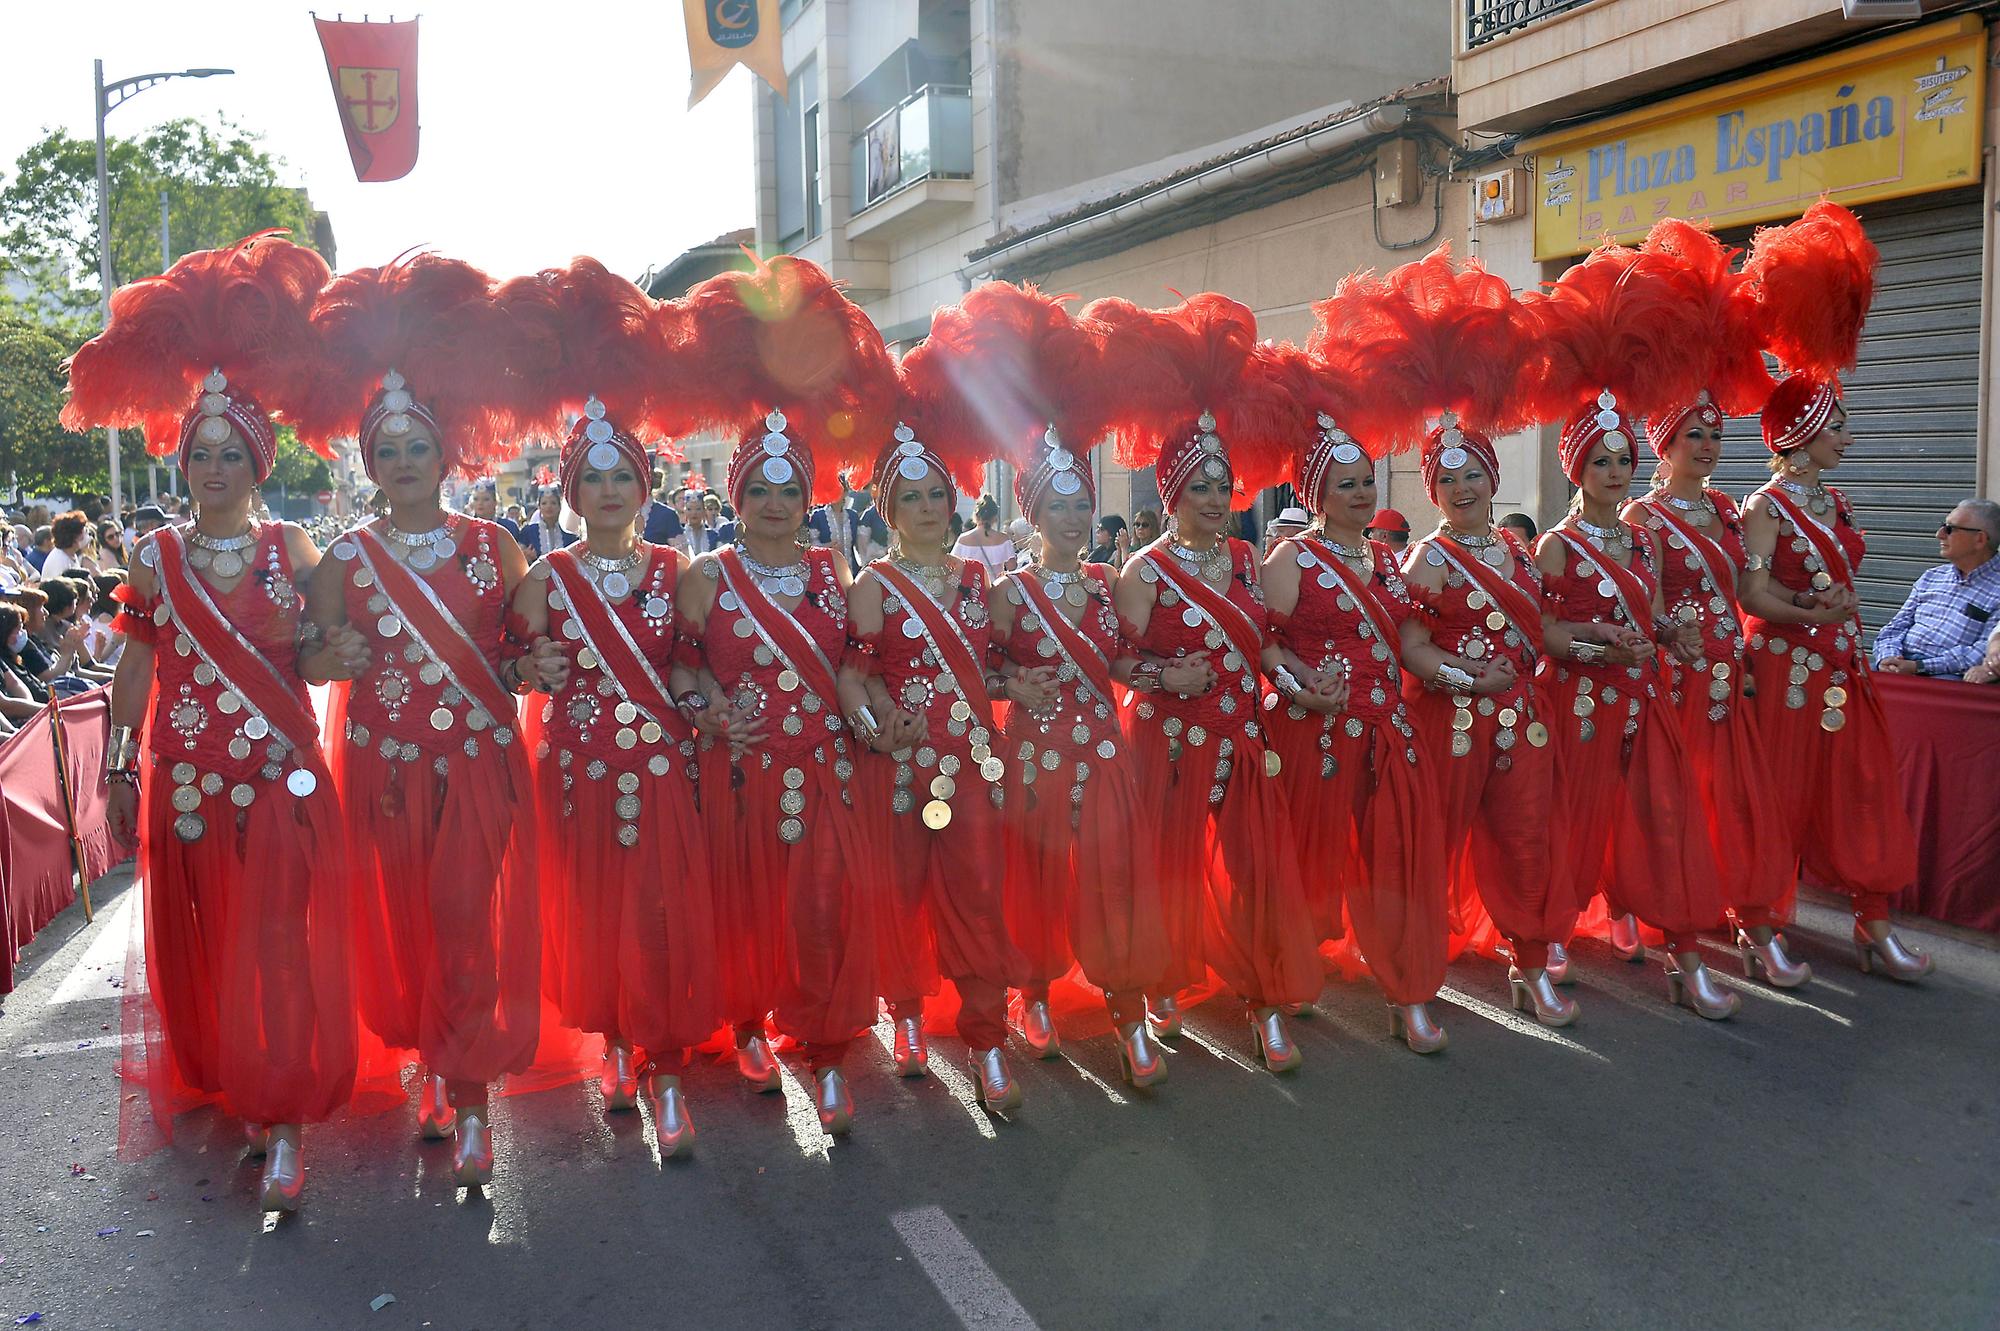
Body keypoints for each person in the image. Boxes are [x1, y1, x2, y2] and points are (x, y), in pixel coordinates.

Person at [62, 233, 357, 1214]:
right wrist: (115, 766)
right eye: (201, 452)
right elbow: (137, 663)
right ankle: (243, 1085)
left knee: (277, 941)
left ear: (260, 462)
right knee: (212, 944)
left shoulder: (292, 543)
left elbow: (324, 644)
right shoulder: (153, 558)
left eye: (234, 453)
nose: (216, 465)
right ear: (181, 461)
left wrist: (343, 647)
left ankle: (283, 1117)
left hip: (282, 779)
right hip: (185, 782)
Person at [298, 252, 559, 1186]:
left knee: (461, 919)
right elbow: (309, 656)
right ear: (370, 464)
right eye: (387, 451)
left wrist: (537, 662)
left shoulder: (496, 547)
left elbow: (524, 652)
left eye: (417, 447)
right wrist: (338, 658)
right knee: (409, 925)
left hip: (480, 766)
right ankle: (435, 1069)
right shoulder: (345, 556)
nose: (404, 463)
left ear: (445, 454)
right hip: (385, 770)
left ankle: (475, 1095)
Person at [916, 281, 1171, 1084]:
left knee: (1115, 882)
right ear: (1030, 512)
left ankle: (1128, 1009)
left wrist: (1167, 672)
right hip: (1030, 759)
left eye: (1080, 503)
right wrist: (1006, 687)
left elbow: (1122, 662)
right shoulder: (1002, 593)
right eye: (1056, 504)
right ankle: (1032, 994)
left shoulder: (1106, 583)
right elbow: (974, 670)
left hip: (1102, 754)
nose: (1070, 516)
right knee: (1031, 885)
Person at [1321, 247, 1576, 1026]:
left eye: (1473, 477)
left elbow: (1546, 627)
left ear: (1494, 479)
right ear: (1432, 492)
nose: (1463, 490)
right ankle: (1413, 970)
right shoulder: (1426, 561)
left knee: (1530, 840)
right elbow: (1410, 648)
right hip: (1450, 723)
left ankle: (1531, 966)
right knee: (1429, 853)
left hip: (1523, 718)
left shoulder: (1520, 549)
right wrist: (1466, 678)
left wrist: (1599, 640)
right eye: (1447, 482)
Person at [675, 254, 895, 1133]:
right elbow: (683, 664)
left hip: (823, 765)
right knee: (747, 908)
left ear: (808, 497)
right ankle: (748, 1027)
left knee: (822, 906)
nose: (774, 503)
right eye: (758, 490)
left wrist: (863, 712)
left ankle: (826, 1046)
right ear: (736, 495)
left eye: (788, 490)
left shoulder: (822, 566)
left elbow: (849, 659)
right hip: (741, 771)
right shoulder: (705, 574)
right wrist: (706, 710)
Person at [506, 265, 716, 1155]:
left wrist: (708, 704)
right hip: (581, 774)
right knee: (596, 912)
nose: (607, 490)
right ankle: (620, 1050)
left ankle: (667, 1069)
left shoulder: (682, 574)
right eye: (590, 478)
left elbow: (698, 668)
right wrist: (534, 660)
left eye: (621, 475)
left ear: (644, 487)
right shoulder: (544, 578)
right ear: (569, 492)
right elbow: (508, 664)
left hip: (665, 772)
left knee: (661, 912)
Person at [1096, 292, 1322, 1070]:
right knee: (1167, 871)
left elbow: (1262, 647)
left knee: (1257, 869)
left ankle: (1264, 999)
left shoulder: (1244, 561)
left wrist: (1294, 679)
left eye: (1222, 486)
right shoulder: (1141, 571)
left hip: (1242, 734)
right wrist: (1164, 672)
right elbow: (1112, 660)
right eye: (1198, 486)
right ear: (1170, 494)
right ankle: (1159, 983)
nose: (1214, 498)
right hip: (1167, 739)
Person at [1734, 203, 1931, 981]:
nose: (1848, 439)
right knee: (1780, 798)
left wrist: (1835, 622)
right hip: (1785, 669)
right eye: (1837, 426)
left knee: (1864, 791)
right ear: (1800, 436)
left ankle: (1873, 922)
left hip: (1844, 667)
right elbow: (1753, 594)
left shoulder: (1837, 503)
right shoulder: (1764, 507)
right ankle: (1762, 923)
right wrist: (1808, 613)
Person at [1529, 358, 1737, 1019]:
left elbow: (1650, 616)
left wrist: (1674, 635)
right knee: (1574, 821)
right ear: (1577, 470)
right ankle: (1550, 932)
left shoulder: (1645, 542)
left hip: (1646, 698)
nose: (1615, 472)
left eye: (1623, 459)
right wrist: (1600, 641)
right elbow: (1550, 638)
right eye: (1601, 461)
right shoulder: (1556, 546)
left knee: (1666, 818)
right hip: (1581, 702)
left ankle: (1686, 956)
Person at [1259, 342, 1451, 1053]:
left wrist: (1459, 672)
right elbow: (1264, 643)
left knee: (1399, 860)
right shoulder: (1290, 559)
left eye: (1367, 481)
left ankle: (1410, 993)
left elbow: (1406, 642)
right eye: (1345, 485)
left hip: (1389, 731)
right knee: (1306, 868)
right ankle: (1281, 983)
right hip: (1316, 736)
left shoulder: (1383, 555)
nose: (1362, 494)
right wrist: (1300, 685)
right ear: (1314, 493)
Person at [840, 393, 1026, 1111]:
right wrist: (878, 719)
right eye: (910, 497)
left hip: (976, 767)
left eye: (936, 495)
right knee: (903, 893)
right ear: (889, 509)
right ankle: (908, 1017)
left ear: (954, 500)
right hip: (902, 769)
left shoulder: (980, 580)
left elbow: (991, 670)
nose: (926, 507)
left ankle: (986, 1041)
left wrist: (1023, 684)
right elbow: (853, 678)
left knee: (980, 896)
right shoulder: (873, 587)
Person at [1873, 498, 2000, 677]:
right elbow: (1894, 628)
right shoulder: (1932, 576)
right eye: (1942, 526)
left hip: (1947, 674)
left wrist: (1919, 666)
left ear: (1980, 539)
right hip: (1901, 665)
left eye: (1950, 529)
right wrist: (1888, 658)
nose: (1939, 534)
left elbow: (1983, 652)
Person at [810, 474, 889, 573]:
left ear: (846, 492)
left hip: (851, 569)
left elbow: (860, 543)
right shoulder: (818, 516)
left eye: (840, 489)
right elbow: (811, 545)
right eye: (832, 489)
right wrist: (828, 546)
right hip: (825, 568)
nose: (836, 493)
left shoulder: (852, 516)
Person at [519, 486, 575, 557]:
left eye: (553, 503)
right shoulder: (528, 531)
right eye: (544, 503)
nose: (548, 506)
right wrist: (527, 555)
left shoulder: (568, 531)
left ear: (559, 507)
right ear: (539, 507)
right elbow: (518, 557)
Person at [41, 511, 94, 578]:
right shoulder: (59, 560)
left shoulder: (71, 555)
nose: (87, 535)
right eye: (84, 532)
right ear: (72, 536)